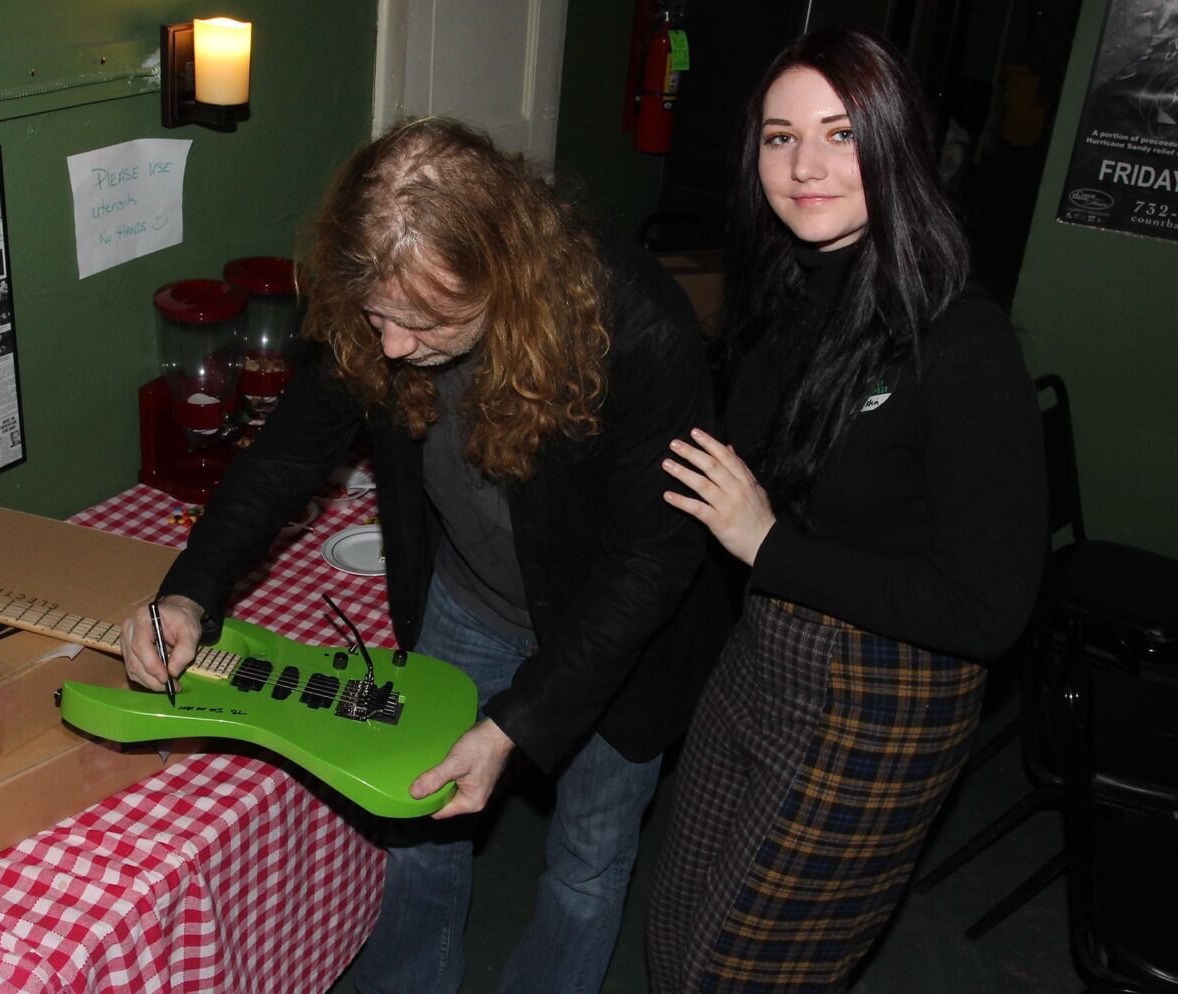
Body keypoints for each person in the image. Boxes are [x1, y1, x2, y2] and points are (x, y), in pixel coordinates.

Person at [119, 116, 729, 994]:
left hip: (616, 640)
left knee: (587, 865)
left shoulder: (639, 328)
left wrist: (516, 724)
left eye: (427, 321)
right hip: (468, 602)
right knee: (415, 826)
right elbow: (288, 454)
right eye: (378, 317)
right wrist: (189, 593)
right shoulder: (385, 298)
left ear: (506, 270)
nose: (395, 347)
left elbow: (649, 564)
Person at [645, 26, 1047, 994]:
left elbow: (989, 612)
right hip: (764, 650)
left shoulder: (963, 343)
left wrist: (765, 542)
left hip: (884, 696)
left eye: (840, 134)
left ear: (896, 145)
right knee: (671, 926)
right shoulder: (790, 286)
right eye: (781, 138)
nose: (806, 165)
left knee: (736, 971)